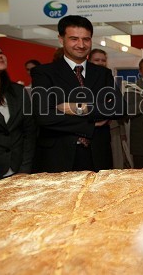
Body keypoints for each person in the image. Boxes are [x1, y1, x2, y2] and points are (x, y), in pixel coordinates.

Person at [31, 15, 126, 173]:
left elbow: (119, 108)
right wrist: (91, 123)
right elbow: (44, 116)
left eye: (86, 39)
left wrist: (82, 108)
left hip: (97, 155)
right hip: (59, 156)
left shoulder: (103, 73)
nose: (81, 45)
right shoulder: (44, 73)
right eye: (74, 39)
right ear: (61, 39)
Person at [0, 40, 36, 181]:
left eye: (0, 52)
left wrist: (25, 170)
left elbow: (30, 133)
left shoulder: (18, 91)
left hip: (21, 170)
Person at [87, 48, 129, 169]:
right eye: (97, 60)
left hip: (109, 129)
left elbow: (119, 107)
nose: (101, 62)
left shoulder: (108, 78)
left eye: (103, 60)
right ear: (89, 60)